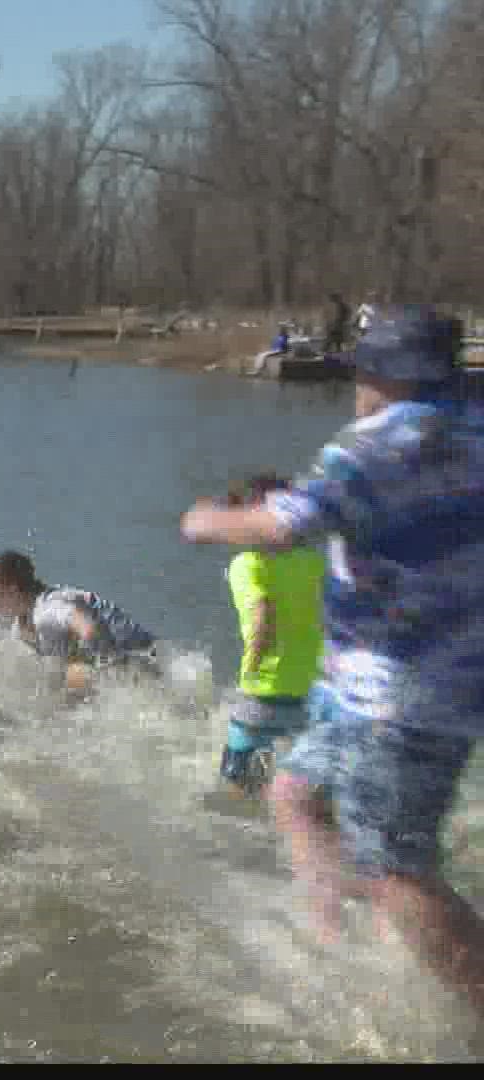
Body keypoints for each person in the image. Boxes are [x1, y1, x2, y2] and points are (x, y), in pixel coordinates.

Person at [180, 305, 484, 1020]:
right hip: (404, 688)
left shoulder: (374, 446)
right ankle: (333, 943)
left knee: (396, 871)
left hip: (396, 698)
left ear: (377, 373)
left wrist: (204, 520)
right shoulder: (475, 432)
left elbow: (283, 526)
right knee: (295, 796)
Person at [215, 473, 326, 798]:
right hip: (310, 688)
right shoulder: (315, 561)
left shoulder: (247, 565)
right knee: (305, 781)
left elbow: (262, 615)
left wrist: (251, 664)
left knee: (236, 778)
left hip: (264, 688)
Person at [0, 549, 157, 694]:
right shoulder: (22, 623)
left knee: (72, 677)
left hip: (142, 662)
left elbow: (88, 628)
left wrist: (105, 671)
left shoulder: (48, 610)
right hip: (144, 659)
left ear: (12, 589)